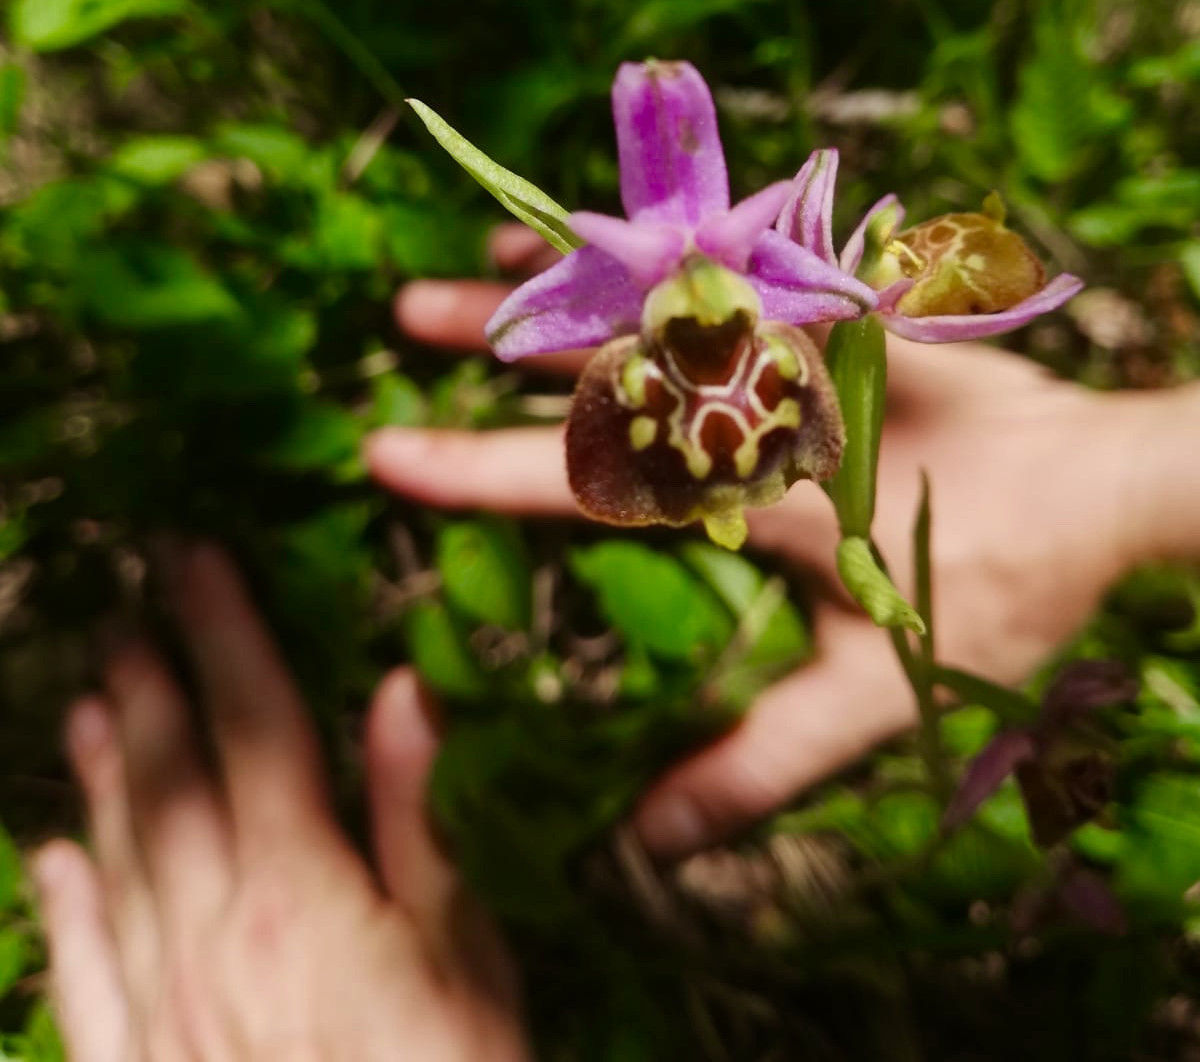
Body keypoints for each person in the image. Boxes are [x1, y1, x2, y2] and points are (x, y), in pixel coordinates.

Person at [35, 231, 1200, 1058]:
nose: (702, 325)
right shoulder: (700, 301)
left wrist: (1126, 484)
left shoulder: (786, 293)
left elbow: (826, 289)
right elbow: (535, 316)